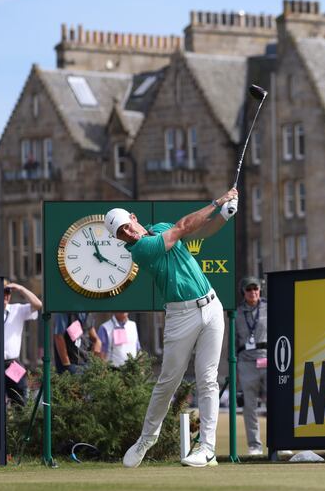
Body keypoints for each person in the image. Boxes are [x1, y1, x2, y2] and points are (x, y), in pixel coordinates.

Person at [107, 188, 238, 469]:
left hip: (212, 306)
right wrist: (218, 202)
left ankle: (207, 448)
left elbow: (200, 232)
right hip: (181, 316)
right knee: (168, 382)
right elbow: (183, 227)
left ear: (133, 217)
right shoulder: (140, 250)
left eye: (127, 227)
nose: (128, 234)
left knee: (208, 379)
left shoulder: (160, 228)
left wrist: (224, 216)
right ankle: (146, 438)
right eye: (121, 234)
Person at [234, 276, 269, 455]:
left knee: (276, 403)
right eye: (249, 289)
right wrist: (234, 366)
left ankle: (279, 442)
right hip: (246, 361)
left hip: (267, 357)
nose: (253, 292)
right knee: (249, 406)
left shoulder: (269, 307)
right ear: (243, 292)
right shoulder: (238, 313)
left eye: (255, 288)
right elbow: (233, 341)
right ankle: (254, 445)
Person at [3, 280, 42, 406]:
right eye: (2, 292)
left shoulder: (17, 309)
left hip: (12, 363)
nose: (5, 296)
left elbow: (38, 304)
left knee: (21, 399)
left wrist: (20, 288)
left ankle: (20, 425)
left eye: (8, 292)